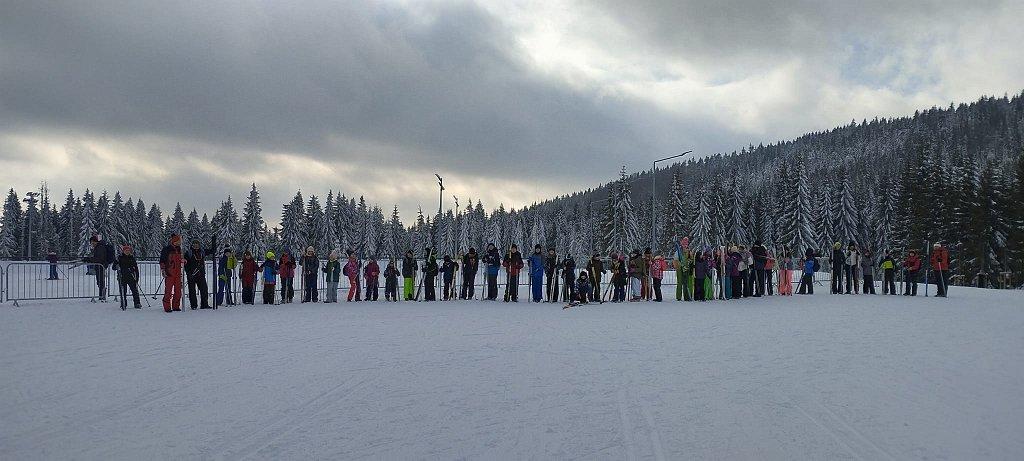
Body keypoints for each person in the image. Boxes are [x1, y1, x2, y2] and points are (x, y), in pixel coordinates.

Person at [184, 238, 216, 309]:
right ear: (192, 245)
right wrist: (188, 273)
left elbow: (213, 251)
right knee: (192, 291)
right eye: (194, 244)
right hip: (191, 274)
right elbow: (185, 265)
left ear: (199, 245)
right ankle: (194, 305)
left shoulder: (202, 251)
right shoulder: (188, 253)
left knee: (204, 289)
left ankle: (204, 304)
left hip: (201, 274)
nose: (196, 246)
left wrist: (214, 243)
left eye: (197, 244)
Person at [83, 235, 112, 301]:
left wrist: (89, 259)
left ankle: (102, 296)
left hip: (101, 266)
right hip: (99, 266)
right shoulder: (98, 247)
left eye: (93, 242)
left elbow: (99, 259)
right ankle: (101, 296)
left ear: (96, 242)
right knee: (100, 281)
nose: (92, 244)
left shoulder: (100, 247)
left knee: (101, 282)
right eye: (91, 243)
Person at [158, 234, 184, 311]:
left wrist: (183, 261)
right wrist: (163, 270)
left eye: (180, 241)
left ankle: (176, 306)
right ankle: (167, 307)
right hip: (169, 273)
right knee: (168, 291)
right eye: (178, 241)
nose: (179, 243)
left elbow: (180, 259)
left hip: (178, 273)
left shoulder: (179, 249)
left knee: (178, 292)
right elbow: (162, 260)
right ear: (174, 241)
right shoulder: (166, 249)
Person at [115, 244, 142, 309]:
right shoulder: (119, 258)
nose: (127, 251)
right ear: (123, 251)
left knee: (135, 291)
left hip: (131, 277)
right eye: (126, 250)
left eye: (128, 250)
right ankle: (123, 304)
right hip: (122, 277)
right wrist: (116, 264)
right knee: (123, 291)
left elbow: (136, 268)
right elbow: (114, 267)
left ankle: (137, 303)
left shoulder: (132, 258)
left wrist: (137, 277)